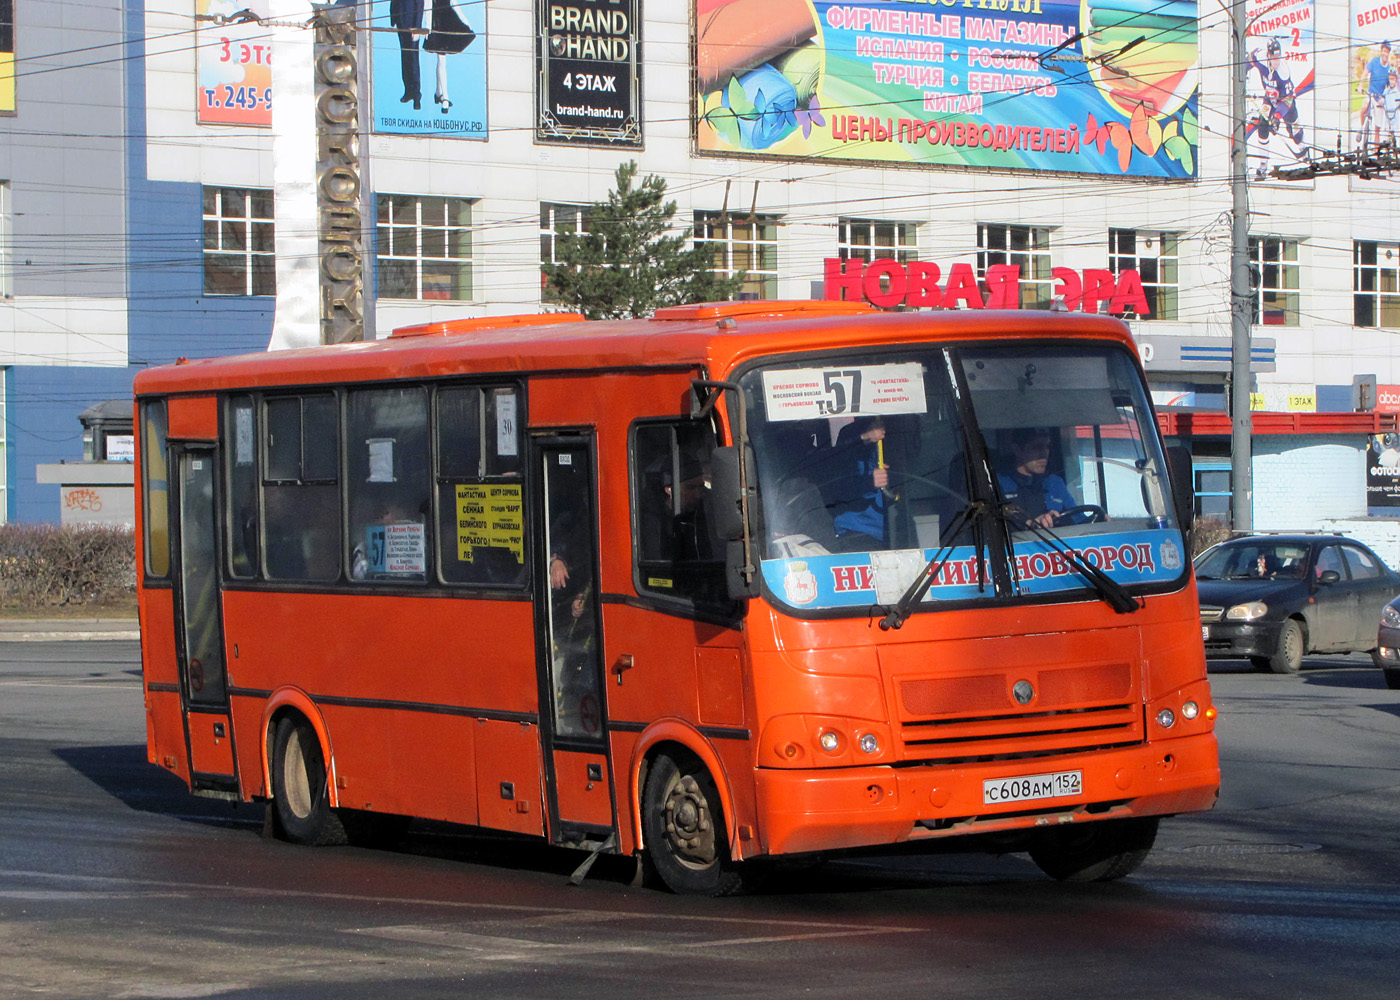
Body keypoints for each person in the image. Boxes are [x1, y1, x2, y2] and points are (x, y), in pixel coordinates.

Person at [827, 415, 892, 550]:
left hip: (897, 528)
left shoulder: (899, 428)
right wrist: (864, 438)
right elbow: (837, 485)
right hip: (858, 530)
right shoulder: (851, 434)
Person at [997, 426, 1078, 529]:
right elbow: (996, 528)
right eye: (1036, 447)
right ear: (1017, 450)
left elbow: (1078, 518)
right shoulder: (998, 484)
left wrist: (1100, 520)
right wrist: (1031, 524)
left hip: (1058, 544)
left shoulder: (1055, 483)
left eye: (1047, 447)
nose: (1044, 454)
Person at [424, 0, 476, 115]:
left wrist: (465, 21)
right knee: (442, 60)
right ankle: (445, 97)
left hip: (449, 23)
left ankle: (438, 93)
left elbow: (455, 5)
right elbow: (427, 9)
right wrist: (428, 28)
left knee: (441, 60)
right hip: (437, 25)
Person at [389, 0, 425, 112]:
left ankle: (416, 95)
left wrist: (417, 27)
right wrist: (393, 18)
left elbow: (419, 6)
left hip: (412, 26)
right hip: (401, 22)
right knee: (405, 58)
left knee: (413, 59)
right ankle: (408, 91)